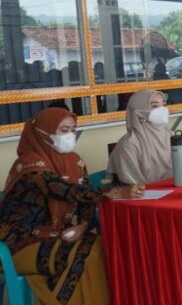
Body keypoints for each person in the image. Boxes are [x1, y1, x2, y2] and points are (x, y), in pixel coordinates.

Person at [0, 108, 144, 305]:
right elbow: (61, 189)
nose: (70, 135)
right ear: (43, 132)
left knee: (99, 248)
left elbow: (85, 201)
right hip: (19, 244)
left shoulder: (75, 161)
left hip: (57, 234)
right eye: (63, 130)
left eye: (73, 130)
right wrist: (115, 193)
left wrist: (83, 226)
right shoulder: (28, 165)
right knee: (82, 254)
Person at [107, 90, 172, 185]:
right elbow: (134, 186)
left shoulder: (172, 136)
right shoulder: (129, 145)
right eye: (154, 106)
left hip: (177, 193)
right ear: (138, 111)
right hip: (147, 197)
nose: (162, 110)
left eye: (164, 104)